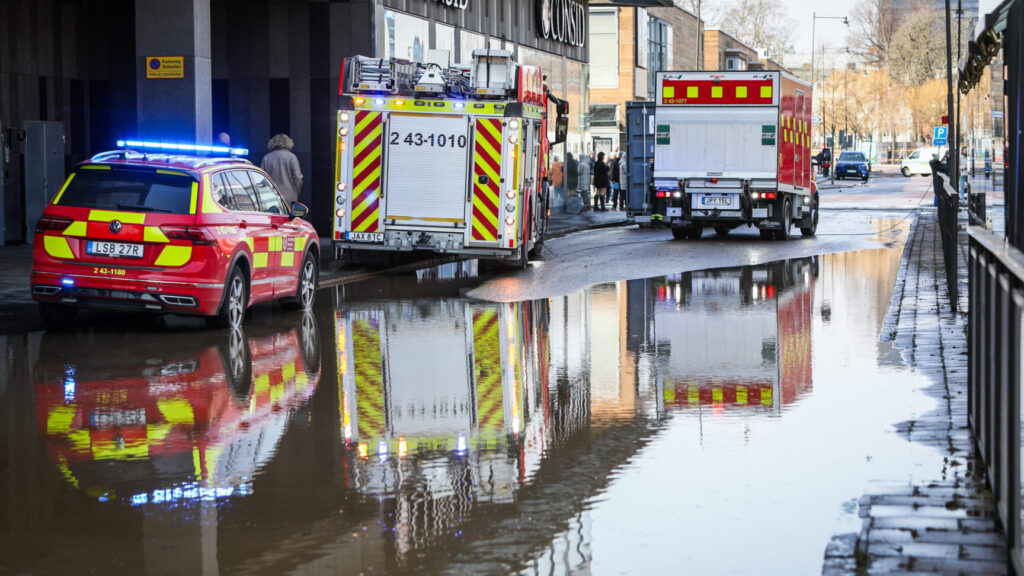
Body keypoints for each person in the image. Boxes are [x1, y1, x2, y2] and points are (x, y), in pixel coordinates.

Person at [260, 133, 304, 205]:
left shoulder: (266, 158)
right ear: (288, 143)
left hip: (271, 196)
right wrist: (296, 192)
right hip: (289, 196)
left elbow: (261, 178)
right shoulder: (292, 157)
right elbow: (298, 178)